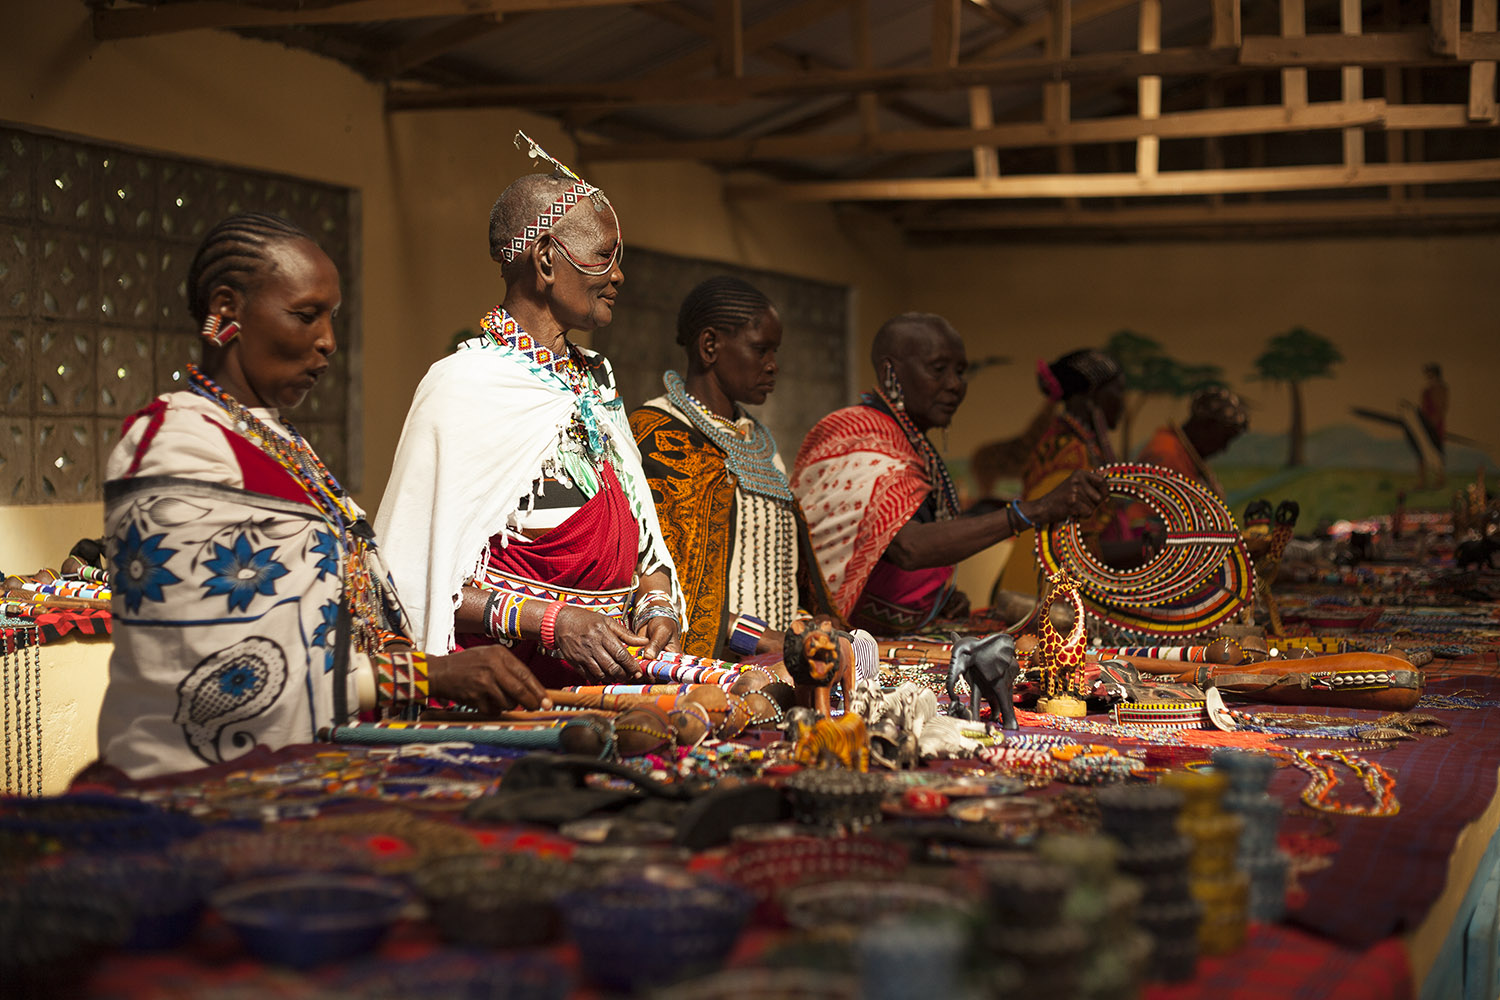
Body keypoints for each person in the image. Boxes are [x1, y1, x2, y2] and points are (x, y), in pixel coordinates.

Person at [100, 213, 547, 779]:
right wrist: (428, 676)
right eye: (306, 315)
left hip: (298, 762)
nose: (328, 341)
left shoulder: (273, 438)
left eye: (332, 318)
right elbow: (214, 676)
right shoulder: (176, 446)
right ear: (226, 309)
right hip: (194, 781)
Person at [376, 134, 681, 688]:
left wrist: (657, 603)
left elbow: (641, 538)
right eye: (604, 256)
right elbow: (413, 576)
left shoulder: (595, 383)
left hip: (609, 687)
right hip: (509, 692)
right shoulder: (463, 385)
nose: (618, 276)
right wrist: (550, 622)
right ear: (545, 260)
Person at [792, 313, 1103, 635]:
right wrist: (1034, 510)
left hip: (898, 632)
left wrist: (938, 598)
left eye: (960, 372)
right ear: (890, 371)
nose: (955, 384)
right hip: (841, 639)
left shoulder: (910, 440)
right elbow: (907, 548)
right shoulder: (859, 434)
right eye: (938, 370)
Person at [630, 276, 839, 658]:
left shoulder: (757, 441)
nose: (773, 366)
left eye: (775, 351)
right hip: (710, 667)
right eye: (761, 350)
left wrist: (807, 631)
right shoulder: (657, 439)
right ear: (710, 346)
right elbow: (672, 590)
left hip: (785, 657)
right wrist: (761, 638)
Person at [996, 348, 1139, 599]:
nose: (1123, 401)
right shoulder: (1070, 454)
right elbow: (1075, 551)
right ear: (1093, 394)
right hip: (1044, 599)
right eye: (1118, 390)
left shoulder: (1076, 445)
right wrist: (1147, 547)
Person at [1134, 386, 1249, 498]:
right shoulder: (1167, 456)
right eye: (1224, 439)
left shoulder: (1187, 457)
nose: (1223, 448)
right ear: (1206, 426)